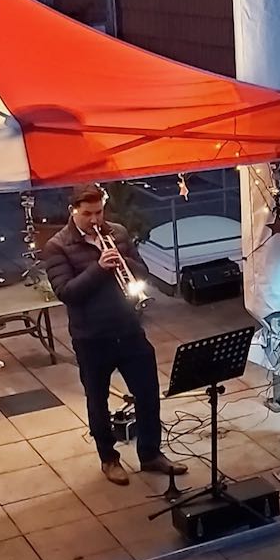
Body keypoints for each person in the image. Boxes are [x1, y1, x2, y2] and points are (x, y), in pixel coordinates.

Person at [40, 184, 187, 485]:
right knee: (98, 400)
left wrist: (123, 260)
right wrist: (99, 267)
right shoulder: (58, 246)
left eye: (99, 212)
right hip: (92, 337)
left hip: (128, 329)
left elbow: (143, 272)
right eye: (87, 214)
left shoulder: (117, 233)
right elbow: (66, 292)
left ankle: (150, 454)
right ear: (74, 211)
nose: (95, 220)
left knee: (147, 394)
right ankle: (109, 459)